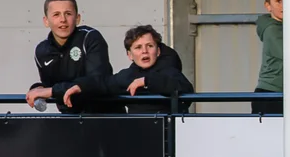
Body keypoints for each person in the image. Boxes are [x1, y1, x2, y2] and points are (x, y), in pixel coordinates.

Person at [26, 0, 124, 114]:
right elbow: (51, 87)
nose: (63, 20)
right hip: (70, 120)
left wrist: (51, 91)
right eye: (56, 15)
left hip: (105, 117)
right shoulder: (42, 51)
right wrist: (39, 88)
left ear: (77, 18)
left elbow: (97, 81)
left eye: (68, 14)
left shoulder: (90, 37)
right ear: (46, 21)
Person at [62, 25, 194, 114]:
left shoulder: (170, 71)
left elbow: (186, 90)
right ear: (129, 55)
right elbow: (103, 83)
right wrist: (80, 86)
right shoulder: (127, 75)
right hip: (138, 138)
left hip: (170, 140)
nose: (144, 51)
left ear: (158, 51)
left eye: (149, 46)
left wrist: (147, 81)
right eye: (138, 47)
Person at [254, 0, 285, 115]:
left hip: (283, 93)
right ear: (268, 6)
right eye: (279, 1)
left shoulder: (284, 27)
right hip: (270, 95)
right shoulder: (272, 29)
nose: (284, 5)